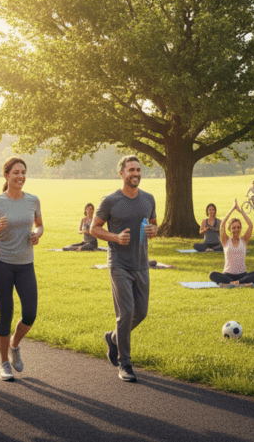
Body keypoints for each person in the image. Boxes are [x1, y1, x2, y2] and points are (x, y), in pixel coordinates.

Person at [91, 155, 157, 383]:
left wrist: (153, 230)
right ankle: (125, 363)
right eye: (131, 170)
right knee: (126, 312)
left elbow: (154, 224)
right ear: (121, 173)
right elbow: (94, 228)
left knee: (142, 313)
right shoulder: (110, 200)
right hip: (119, 263)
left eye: (138, 169)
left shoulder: (148, 199)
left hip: (141, 263)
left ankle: (113, 338)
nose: (135, 173)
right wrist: (115, 237)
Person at [0, 157, 43, 382]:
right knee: (5, 314)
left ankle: (14, 345)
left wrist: (38, 233)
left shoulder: (33, 200)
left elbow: (39, 224)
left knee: (30, 314)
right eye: (15, 172)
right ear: (6, 175)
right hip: (2, 264)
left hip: (26, 264)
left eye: (23, 172)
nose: (20, 176)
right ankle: (3, 363)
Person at [210, 199, 254, 286]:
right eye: (234, 228)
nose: (236, 230)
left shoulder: (244, 240)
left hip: (242, 275)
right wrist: (232, 209)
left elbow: (250, 225)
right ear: (230, 229)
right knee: (212, 274)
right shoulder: (225, 240)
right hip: (228, 275)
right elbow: (222, 224)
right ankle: (239, 283)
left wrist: (240, 211)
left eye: (238, 227)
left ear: (240, 228)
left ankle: (234, 283)